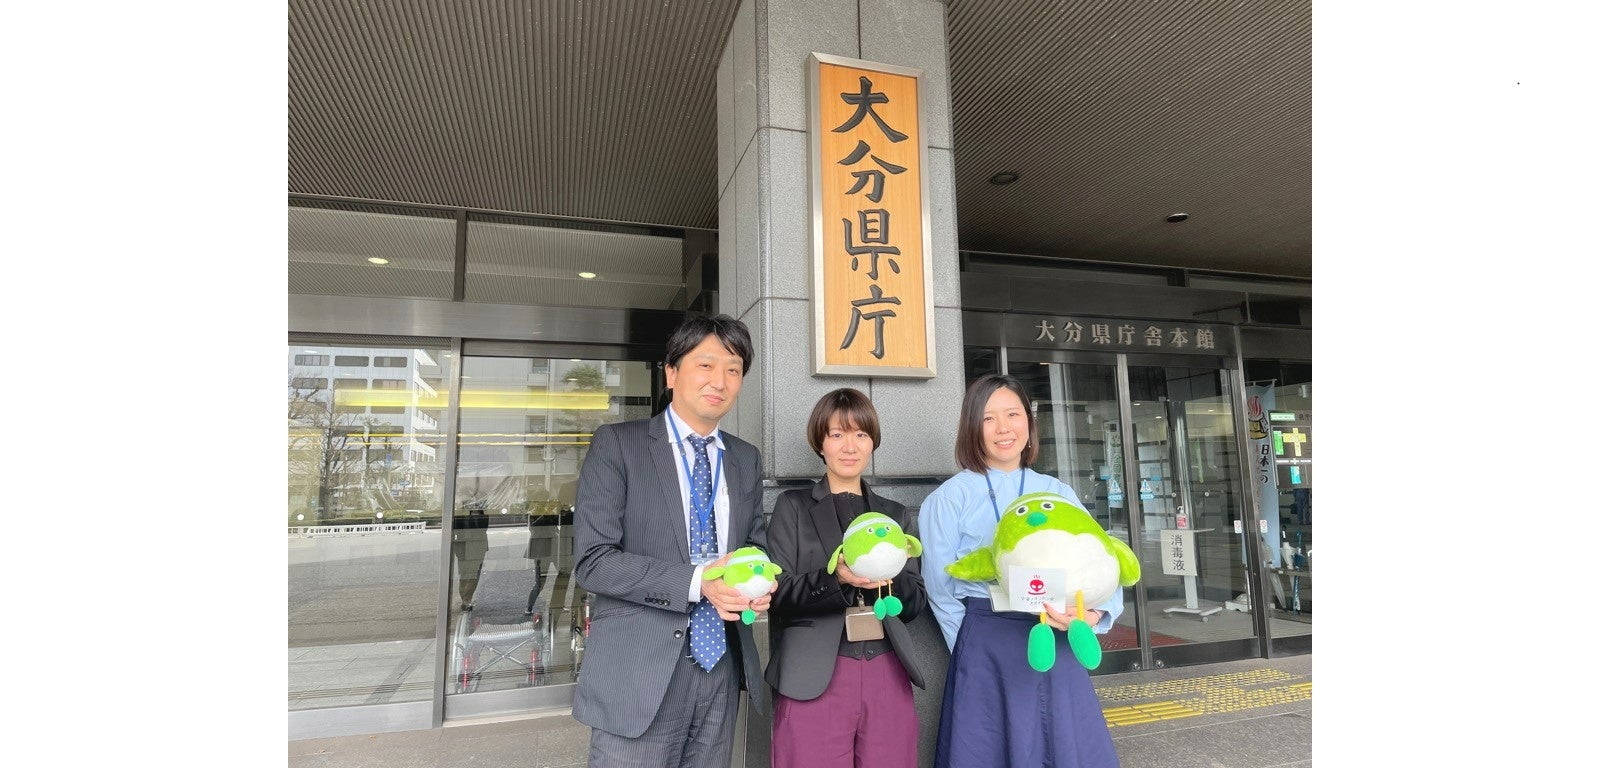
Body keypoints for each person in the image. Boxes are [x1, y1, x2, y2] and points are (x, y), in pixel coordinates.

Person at [571, 313, 775, 768]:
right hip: (639, 669)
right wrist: (698, 581)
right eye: (706, 365)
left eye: (733, 369)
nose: (720, 380)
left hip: (720, 667)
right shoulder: (618, 445)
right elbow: (593, 561)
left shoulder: (744, 458)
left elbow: (754, 544)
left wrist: (756, 579)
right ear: (671, 373)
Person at [919, 373, 1124, 768]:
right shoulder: (949, 498)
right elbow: (940, 588)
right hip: (987, 641)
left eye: (1013, 414)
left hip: (1055, 633)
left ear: (1029, 424)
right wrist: (969, 648)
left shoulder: (1057, 492)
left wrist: (1093, 614)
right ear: (972, 428)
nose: (1003, 428)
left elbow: (1100, 560)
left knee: (1063, 746)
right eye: (988, 418)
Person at [765, 388, 928, 768]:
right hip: (814, 670)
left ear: (873, 441)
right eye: (837, 434)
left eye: (861, 434)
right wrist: (837, 580)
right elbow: (778, 591)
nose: (849, 446)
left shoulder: (894, 515)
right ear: (820, 443)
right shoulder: (793, 506)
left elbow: (914, 604)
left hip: (887, 667)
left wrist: (891, 576)